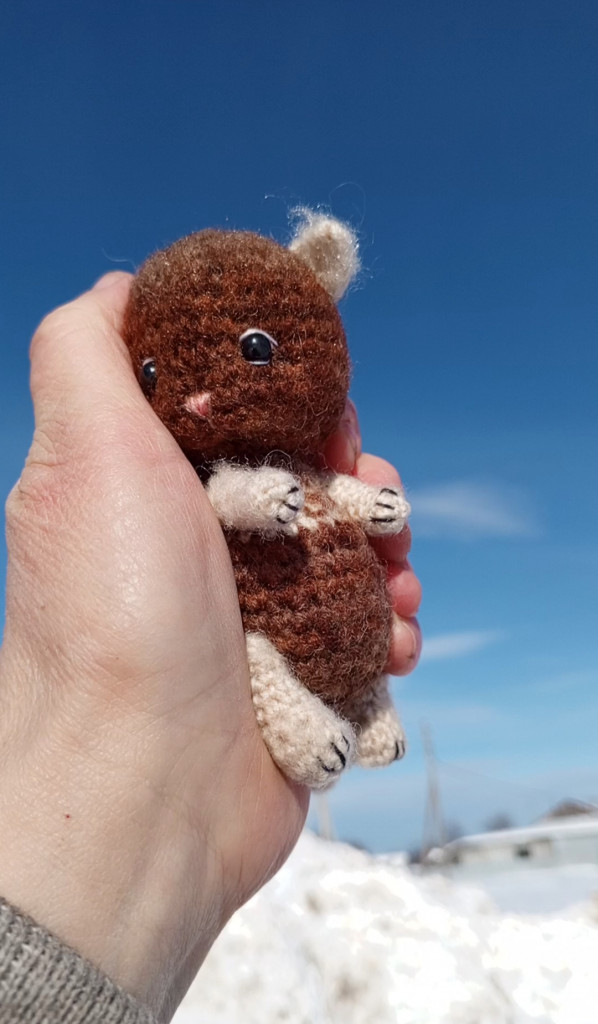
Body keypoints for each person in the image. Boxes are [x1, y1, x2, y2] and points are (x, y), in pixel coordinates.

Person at [0, 273, 422, 1022]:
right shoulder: (212, 481)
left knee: (368, 635)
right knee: (264, 659)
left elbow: (337, 489)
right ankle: (305, 727)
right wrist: (260, 500)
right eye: (154, 373)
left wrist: (371, 505)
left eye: (253, 348)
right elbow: (229, 496)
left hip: (341, 623)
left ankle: (370, 708)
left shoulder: (310, 468)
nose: (196, 399)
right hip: (261, 639)